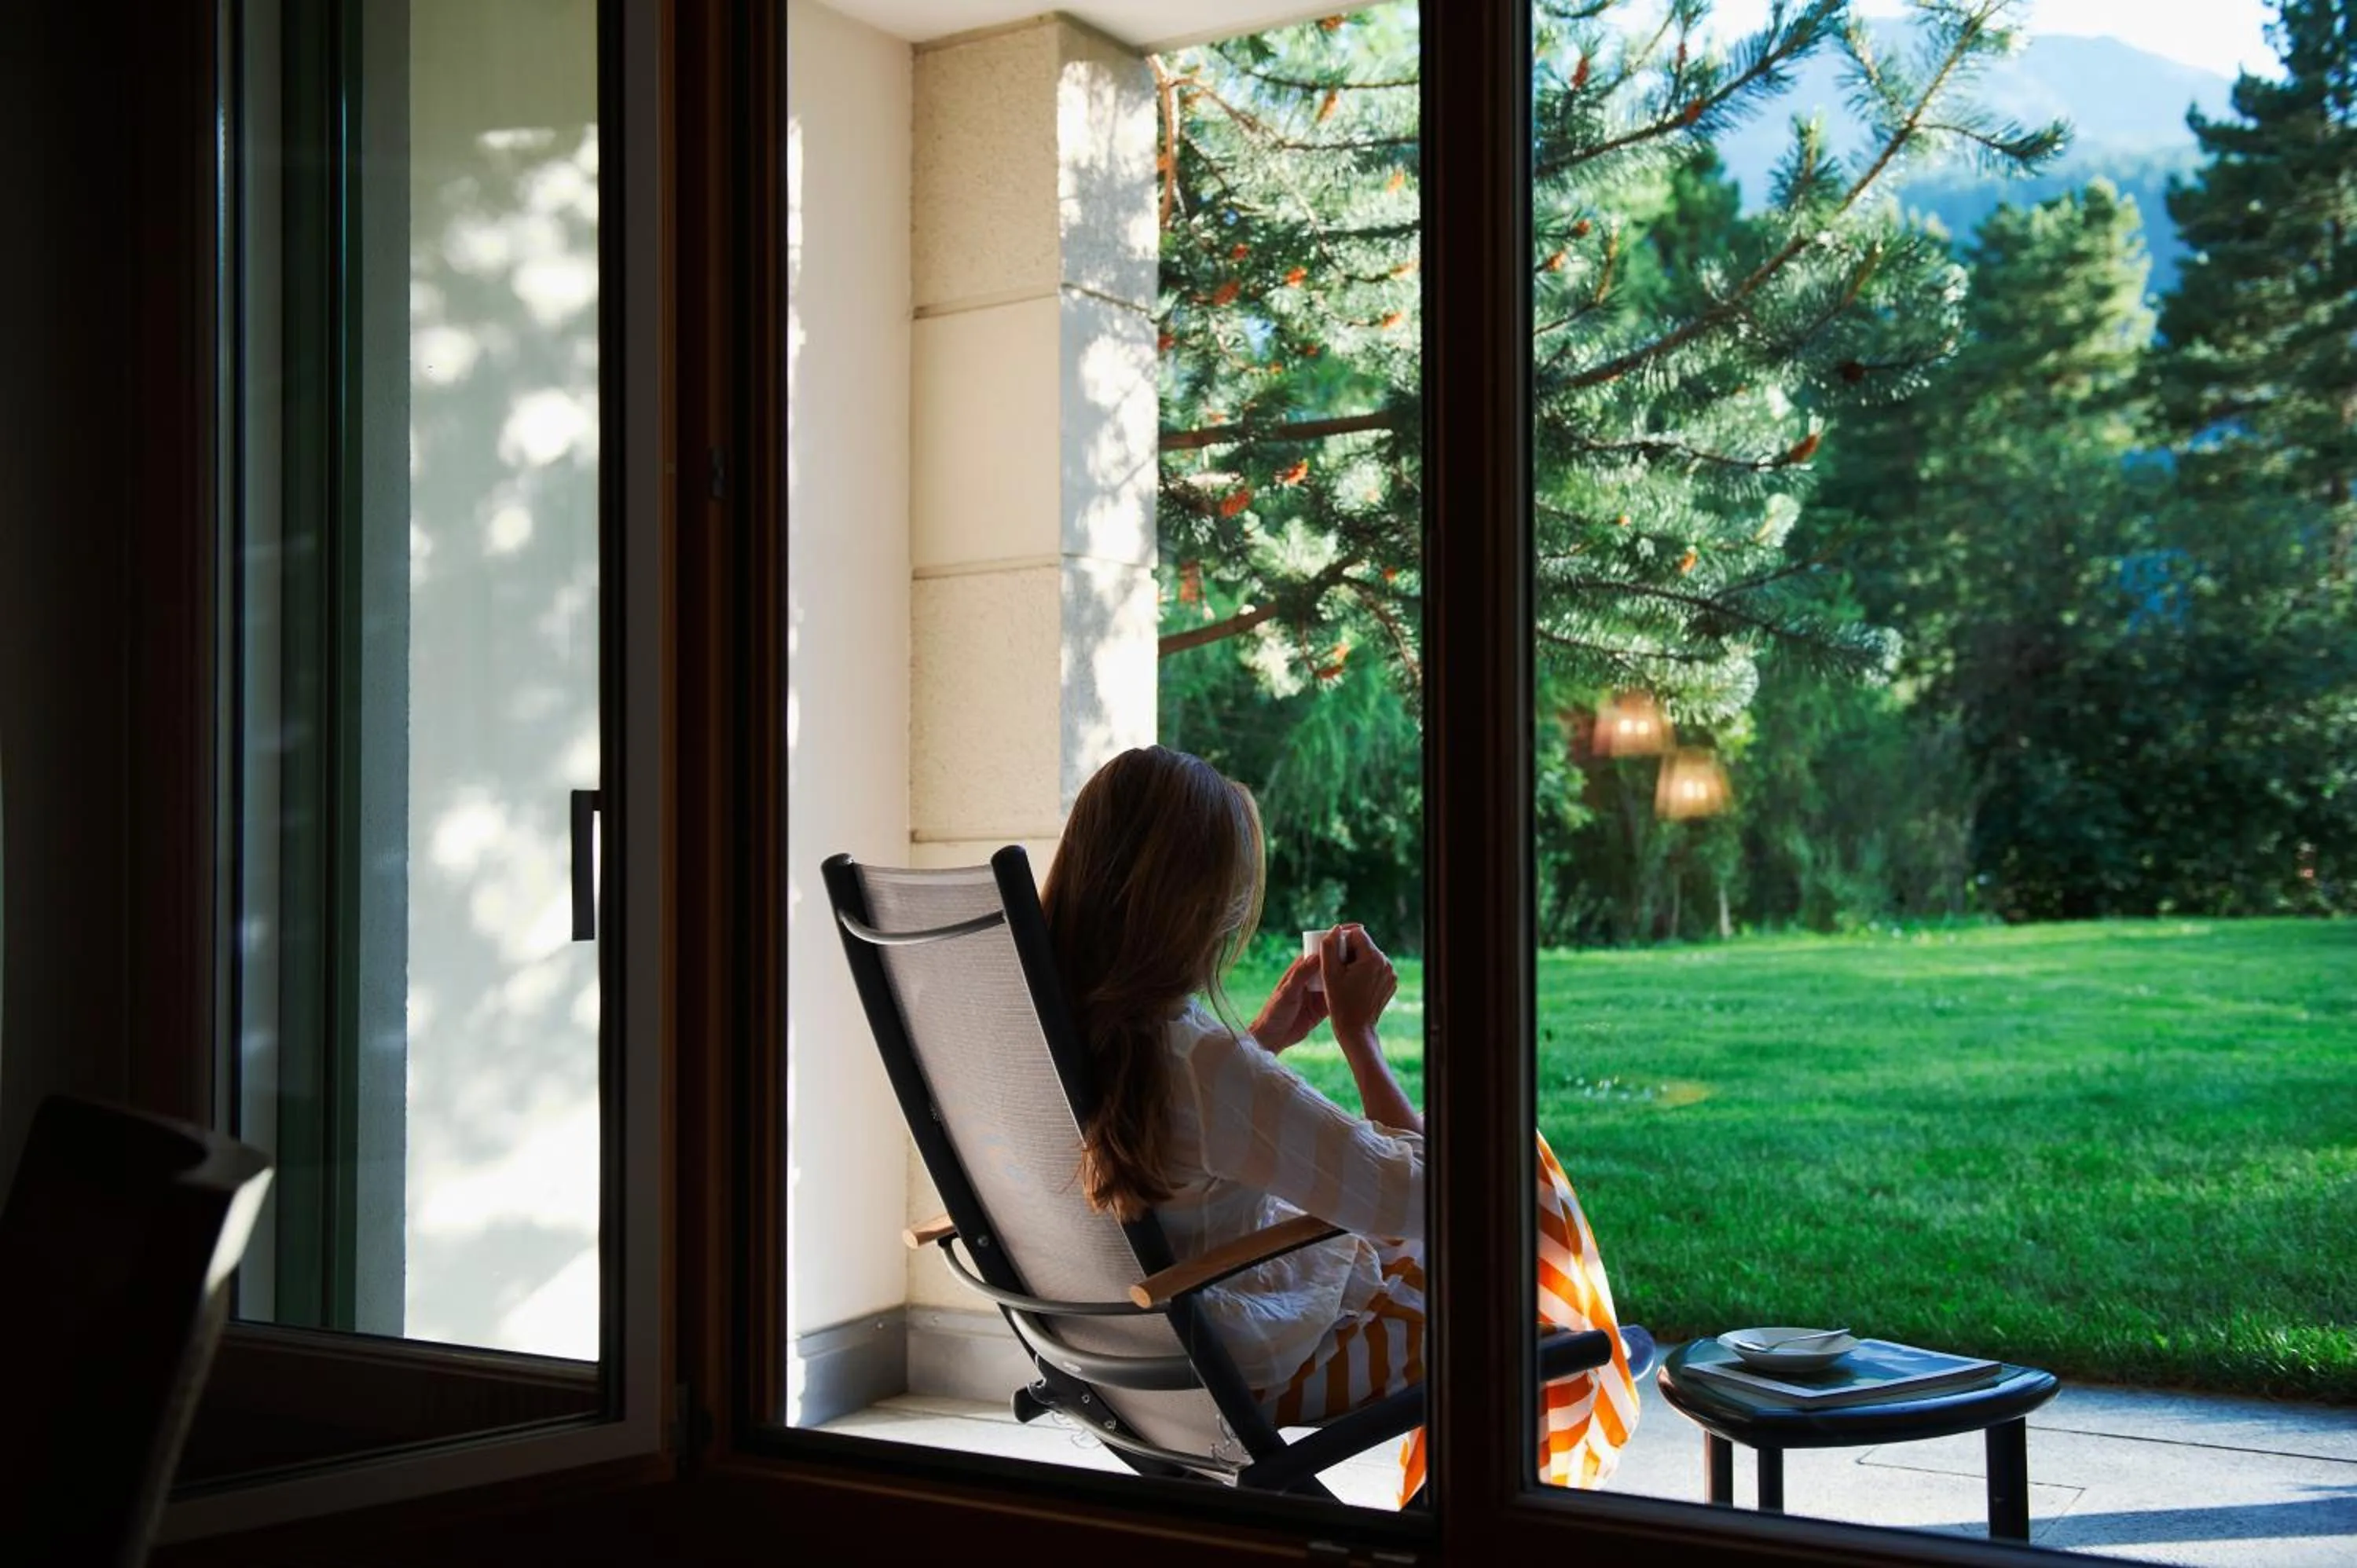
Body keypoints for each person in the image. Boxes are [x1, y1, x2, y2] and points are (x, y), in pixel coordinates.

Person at [1040, 745, 1640, 1500]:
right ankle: (1480, 1528)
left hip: (1122, 1353)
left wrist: (1262, 1042)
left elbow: (1166, 1129)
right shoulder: (1199, 1062)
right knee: (1531, 1262)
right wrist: (1361, 1040)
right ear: (1202, 907)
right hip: (1245, 1355)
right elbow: (1434, 1202)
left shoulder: (1051, 1026)